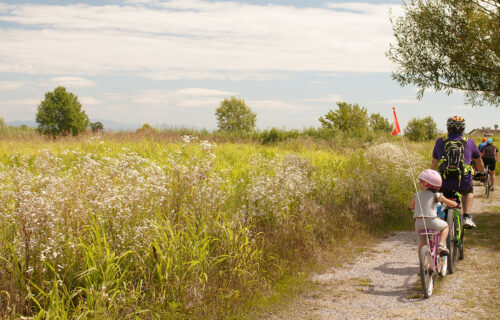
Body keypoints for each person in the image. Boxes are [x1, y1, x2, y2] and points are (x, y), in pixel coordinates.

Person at [430, 116, 484, 228]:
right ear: (463, 130)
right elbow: (479, 162)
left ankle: (441, 219)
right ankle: (466, 217)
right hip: (463, 182)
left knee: (441, 196)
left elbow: (434, 165)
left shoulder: (440, 142)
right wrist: (482, 170)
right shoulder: (470, 142)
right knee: (468, 192)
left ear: (448, 128)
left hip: (444, 183)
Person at [409, 169, 457, 257]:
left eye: (420, 182)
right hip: (431, 222)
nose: (419, 184)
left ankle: (421, 267)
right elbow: (451, 204)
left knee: (422, 244)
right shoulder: (437, 195)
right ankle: (441, 245)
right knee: (445, 226)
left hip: (419, 224)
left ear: (425, 184)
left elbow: (411, 206)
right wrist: (455, 204)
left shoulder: (417, 195)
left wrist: (410, 208)